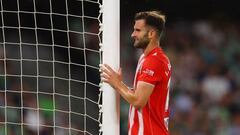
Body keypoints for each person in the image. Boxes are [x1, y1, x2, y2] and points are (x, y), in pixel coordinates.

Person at [100, 11, 171, 135]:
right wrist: (120, 84)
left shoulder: (154, 61)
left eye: (138, 30)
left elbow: (138, 101)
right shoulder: (147, 57)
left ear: (151, 34)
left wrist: (117, 84)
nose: (133, 34)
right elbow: (141, 95)